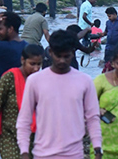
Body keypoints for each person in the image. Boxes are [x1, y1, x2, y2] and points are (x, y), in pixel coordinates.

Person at [17, 30, 102, 159]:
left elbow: (92, 117)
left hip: (74, 154)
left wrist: (97, 148)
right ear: (50, 52)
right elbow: (24, 119)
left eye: (66, 56)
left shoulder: (84, 81)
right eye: (58, 56)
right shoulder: (35, 81)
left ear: (73, 54)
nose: (62, 60)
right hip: (42, 154)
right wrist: (24, 151)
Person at [0, 45, 44, 159]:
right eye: (32, 64)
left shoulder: (40, 81)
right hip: (10, 136)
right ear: (22, 60)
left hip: (34, 136)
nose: (36, 68)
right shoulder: (9, 78)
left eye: (39, 64)